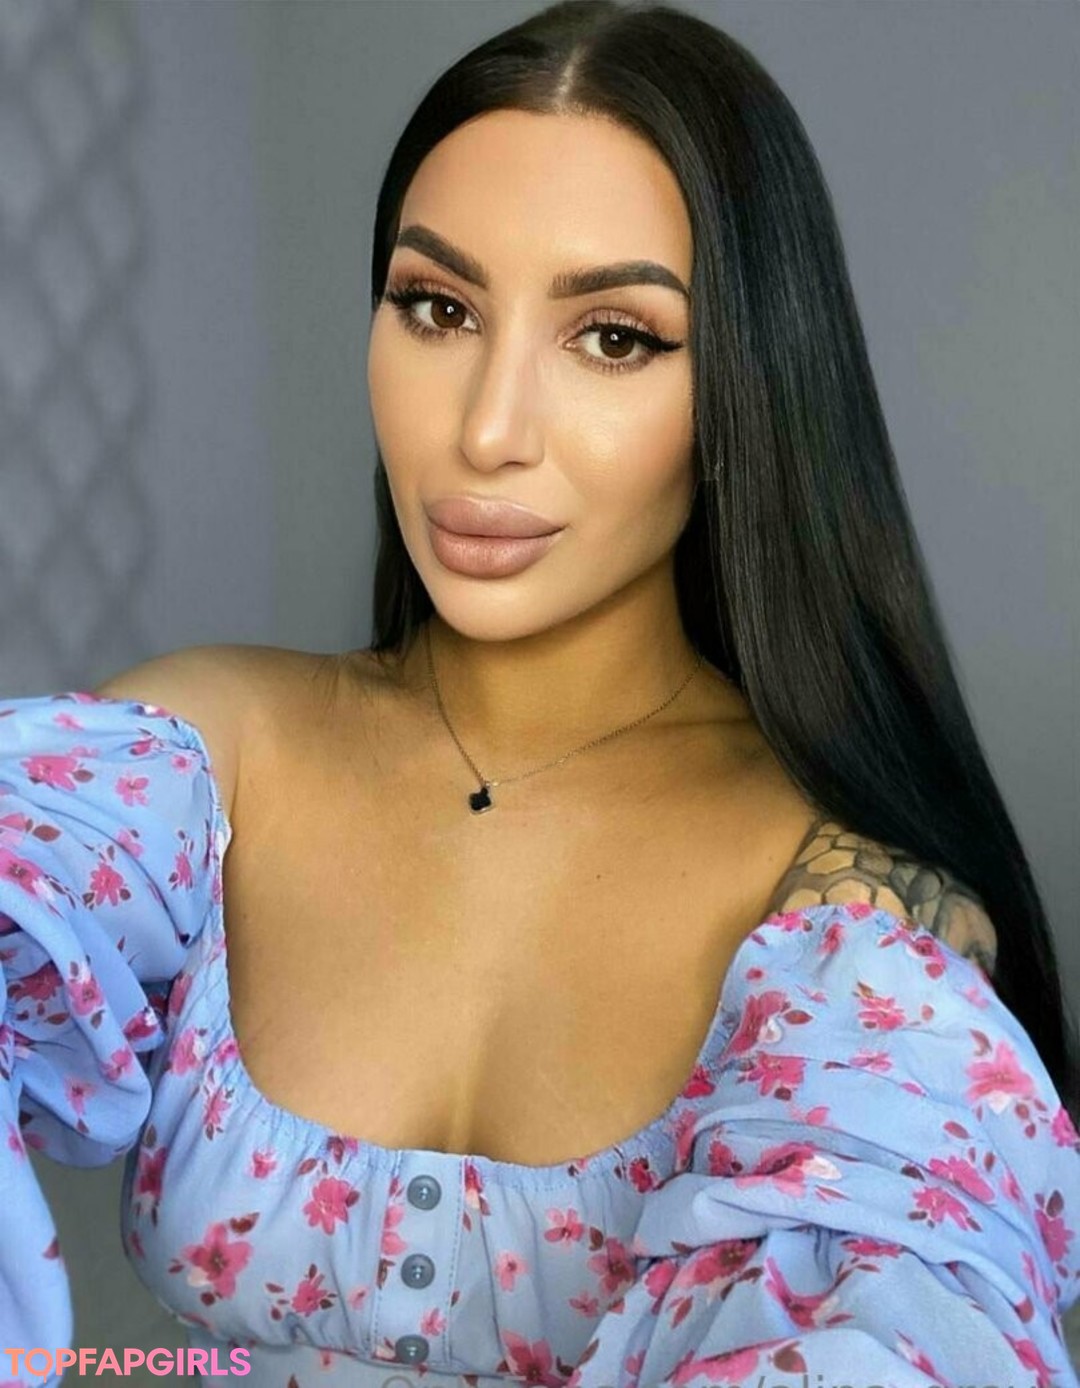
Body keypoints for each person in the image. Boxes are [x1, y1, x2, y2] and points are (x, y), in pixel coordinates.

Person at [2, 1, 1078, 1384]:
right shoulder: (194, 766)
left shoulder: (851, 923)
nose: (488, 429)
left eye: (613, 337)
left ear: (746, 387)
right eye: (438, 309)